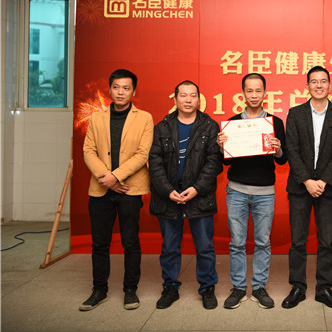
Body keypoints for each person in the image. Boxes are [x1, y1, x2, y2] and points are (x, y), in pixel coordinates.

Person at [80, 69, 154, 311]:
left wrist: (116, 176)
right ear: (110, 89)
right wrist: (108, 179)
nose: (120, 92)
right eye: (116, 87)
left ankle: (130, 290)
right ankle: (99, 290)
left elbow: (142, 154)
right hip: (101, 189)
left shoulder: (144, 118)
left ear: (134, 91)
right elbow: (88, 151)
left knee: (130, 242)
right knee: (99, 243)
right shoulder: (96, 118)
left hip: (130, 189)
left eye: (126, 88)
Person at [148, 80, 223, 310]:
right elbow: (154, 162)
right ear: (175, 99)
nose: (188, 100)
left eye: (193, 95)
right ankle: (170, 287)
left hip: (199, 196)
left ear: (199, 99)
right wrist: (167, 190)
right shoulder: (162, 127)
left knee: (205, 247)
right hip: (168, 196)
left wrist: (197, 188)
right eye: (183, 95)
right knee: (170, 247)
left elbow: (214, 162)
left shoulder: (210, 126)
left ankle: (207, 288)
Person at [282, 66, 332, 310]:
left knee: (327, 241)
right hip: (300, 187)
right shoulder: (295, 113)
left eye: (323, 81)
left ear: (330, 85)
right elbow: (291, 149)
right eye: (314, 81)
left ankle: (324, 288)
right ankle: (298, 287)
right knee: (297, 241)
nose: (319, 85)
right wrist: (307, 181)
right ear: (307, 86)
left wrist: (323, 180)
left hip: (327, 188)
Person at [216, 73, 287, 310]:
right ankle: (238, 287)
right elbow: (226, 162)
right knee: (237, 243)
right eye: (249, 91)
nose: (254, 95)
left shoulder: (275, 123)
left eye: (258, 91)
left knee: (263, 242)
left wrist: (278, 148)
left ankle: (258, 287)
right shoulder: (233, 123)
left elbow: (282, 159)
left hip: (265, 193)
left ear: (265, 93)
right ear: (243, 93)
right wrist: (222, 146)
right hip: (236, 191)